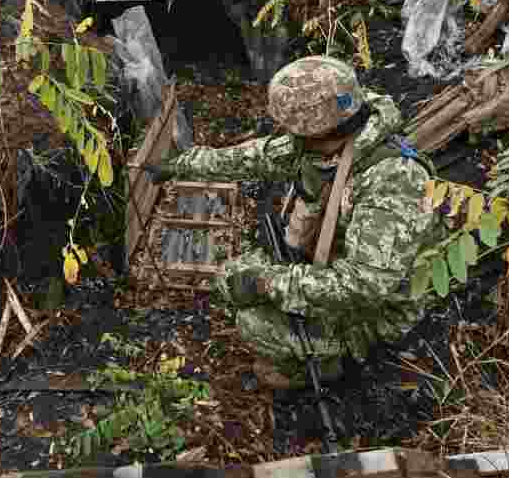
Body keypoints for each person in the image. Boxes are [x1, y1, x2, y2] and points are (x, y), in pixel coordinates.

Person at [144, 56, 446, 389]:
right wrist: (183, 165)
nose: (288, 135)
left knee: (254, 322)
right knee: (231, 278)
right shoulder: (336, 138)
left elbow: (364, 287)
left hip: (381, 309)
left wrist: (266, 283)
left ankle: (330, 364)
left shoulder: (393, 184)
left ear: (317, 129)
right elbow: (258, 156)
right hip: (336, 264)